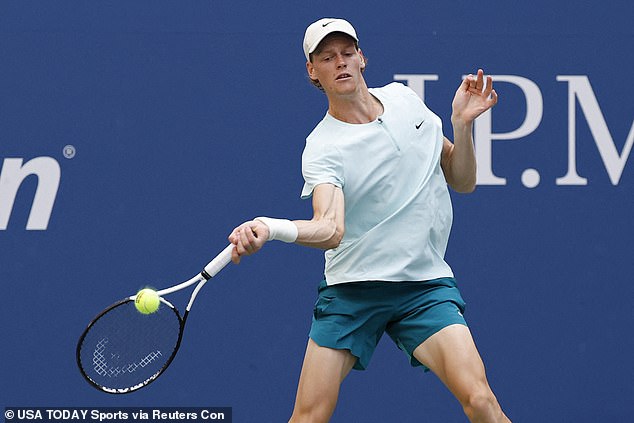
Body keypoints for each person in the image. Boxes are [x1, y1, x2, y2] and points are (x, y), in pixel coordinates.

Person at [228, 18, 511, 423]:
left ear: (362, 57)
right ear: (313, 71)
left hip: (422, 286)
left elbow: (462, 179)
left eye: (347, 53)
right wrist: (271, 228)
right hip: (352, 292)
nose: (340, 63)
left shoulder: (405, 100)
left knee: (481, 400)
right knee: (308, 417)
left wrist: (462, 127)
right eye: (327, 57)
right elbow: (330, 228)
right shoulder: (323, 146)